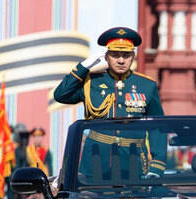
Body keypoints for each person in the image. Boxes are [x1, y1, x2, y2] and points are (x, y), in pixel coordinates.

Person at [53, 26, 166, 178]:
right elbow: (61, 95)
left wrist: (157, 167)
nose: (121, 60)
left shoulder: (146, 85)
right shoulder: (91, 82)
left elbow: (157, 127)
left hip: (133, 162)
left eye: (126, 55)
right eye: (115, 55)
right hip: (96, 160)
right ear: (106, 57)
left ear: (133, 56)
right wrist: (83, 67)